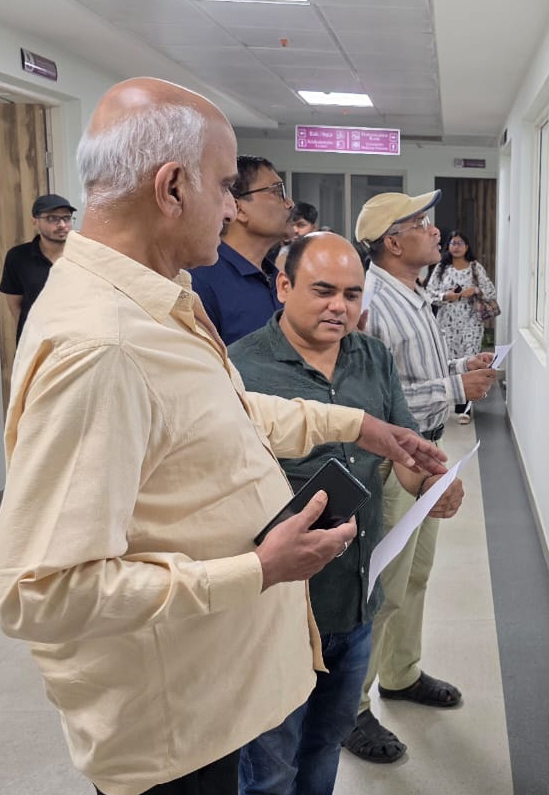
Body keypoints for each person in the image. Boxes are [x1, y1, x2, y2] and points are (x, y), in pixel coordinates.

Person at [0, 77, 447, 795]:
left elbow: (222, 416)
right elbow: (41, 591)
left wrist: (358, 424)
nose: (234, 208)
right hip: (176, 733)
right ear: (172, 187)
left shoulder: (154, 300)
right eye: (228, 185)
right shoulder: (105, 344)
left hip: (214, 696)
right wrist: (258, 569)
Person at [229, 232, 466, 794]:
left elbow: (402, 454)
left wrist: (431, 483)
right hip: (278, 610)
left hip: (355, 599)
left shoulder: (373, 357)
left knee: (324, 748)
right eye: (323, 291)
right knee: (270, 768)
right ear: (283, 286)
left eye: (353, 294)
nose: (340, 306)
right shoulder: (240, 369)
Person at [343, 191, 498, 763]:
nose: (435, 232)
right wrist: (455, 388)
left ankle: (400, 674)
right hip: (393, 463)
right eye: (421, 224)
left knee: (416, 576)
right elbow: (372, 399)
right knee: (382, 588)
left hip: (426, 453)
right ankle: (350, 709)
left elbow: (414, 372)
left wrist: (460, 368)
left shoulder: (414, 292)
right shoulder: (374, 303)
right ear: (392, 241)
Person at [187, 155, 292, 345]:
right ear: (238, 208)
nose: (290, 203)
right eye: (277, 191)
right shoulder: (201, 280)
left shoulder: (277, 278)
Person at [426, 230, 498, 423]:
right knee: (449, 363)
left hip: (471, 324)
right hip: (446, 325)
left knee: (470, 363)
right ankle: (448, 402)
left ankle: (465, 408)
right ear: (448, 246)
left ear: (467, 247)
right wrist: (445, 296)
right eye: (453, 243)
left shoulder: (475, 268)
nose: (456, 247)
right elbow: (429, 293)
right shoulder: (442, 268)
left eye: (460, 243)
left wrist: (475, 290)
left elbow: (491, 292)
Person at [0, 193, 76, 341]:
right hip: (35, 341)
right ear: (35, 222)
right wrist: (30, 332)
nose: (62, 225)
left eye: (67, 218)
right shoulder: (18, 257)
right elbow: (15, 303)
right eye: (52, 218)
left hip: (76, 340)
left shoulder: (84, 254)